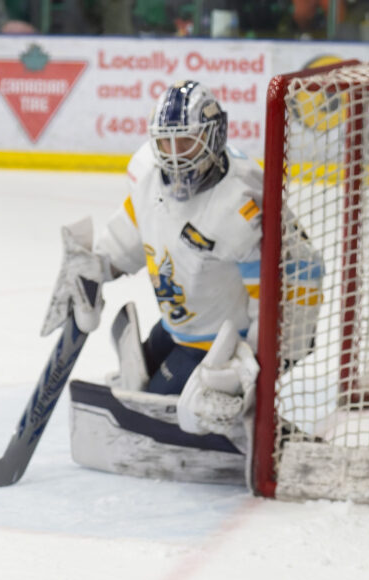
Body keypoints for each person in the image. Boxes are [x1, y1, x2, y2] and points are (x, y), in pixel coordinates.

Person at [43, 80, 322, 480]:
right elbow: (133, 230)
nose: (174, 156)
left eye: (187, 142)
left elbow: (294, 276)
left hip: (219, 344)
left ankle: (260, 436)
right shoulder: (148, 175)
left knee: (155, 411)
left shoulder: (238, 206)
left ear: (213, 137)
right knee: (135, 385)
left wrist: (253, 362)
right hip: (179, 325)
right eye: (166, 143)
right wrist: (97, 265)